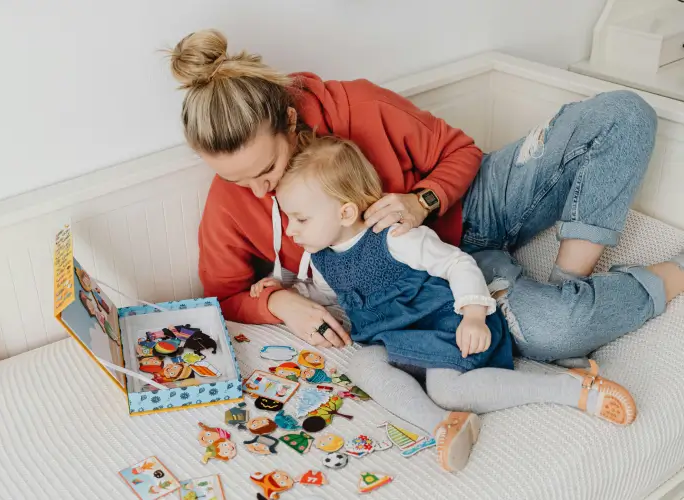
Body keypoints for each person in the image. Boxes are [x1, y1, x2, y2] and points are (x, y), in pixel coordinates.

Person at [167, 29, 660, 348]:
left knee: (624, 114)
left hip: (478, 205)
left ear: (291, 121)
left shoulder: (358, 104)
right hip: (434, 288)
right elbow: (223, 294)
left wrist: (421, 200)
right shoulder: (231, 200)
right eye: (236, 179)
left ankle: (567, 285)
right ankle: (665, 279)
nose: (257, 190)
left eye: (267, 168)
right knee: (558, 332)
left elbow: (461, 153)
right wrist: (280, 303)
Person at [268, 134, 684, 472]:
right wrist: (282, 295)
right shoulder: (319, 257)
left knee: (446, 386)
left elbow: (457, 263)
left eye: (300, 219)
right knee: (362, 364)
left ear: (344, 212)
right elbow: (330, 295)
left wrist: (472, 313)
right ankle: (443, 426)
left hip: (443, 324)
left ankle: (570, 390)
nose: (290, 230)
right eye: (288, 219)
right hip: (394, 338)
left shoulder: (395, 236)